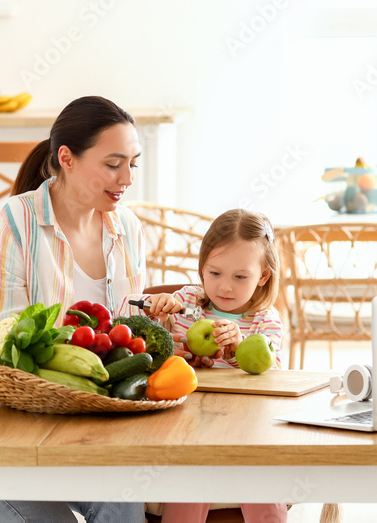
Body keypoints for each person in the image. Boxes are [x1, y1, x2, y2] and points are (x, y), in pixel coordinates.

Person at [0, 95, 169, 523]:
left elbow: (131, 336)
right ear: (67, 159)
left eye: (134, 163)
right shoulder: (14, 223)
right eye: (113, 164)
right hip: (7, 433)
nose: (127, 178)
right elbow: (1, 346)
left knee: (124, 504)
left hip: (92, 430)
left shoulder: (127, 228)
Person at [144, 208, 286, 523]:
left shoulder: (265, 320)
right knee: (192, 480)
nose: (224, 287)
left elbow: (273, 375)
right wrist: (160, 321)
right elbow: (154, 352)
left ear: (262, 276)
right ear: (202, 268)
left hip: (247, 426)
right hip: (190, 425)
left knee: (263, 486)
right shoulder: (189, 302)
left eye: (240, 277)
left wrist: (238, 349)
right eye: (215, 273)